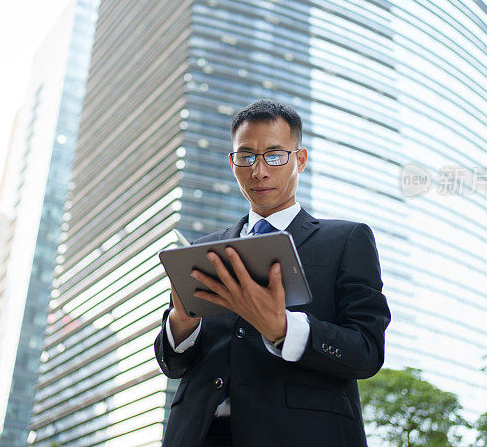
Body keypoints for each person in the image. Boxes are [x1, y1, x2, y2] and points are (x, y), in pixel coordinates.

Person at [154, 99, 391, 446]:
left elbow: (367, 350)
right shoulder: (203, 248)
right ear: (232, 162)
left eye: (275, 155)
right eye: (246, 157)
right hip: (197, 434)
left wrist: (283, 329)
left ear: (300, 159)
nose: (259, 171)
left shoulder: (346, 239)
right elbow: (173, 364)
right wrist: (181, 322)